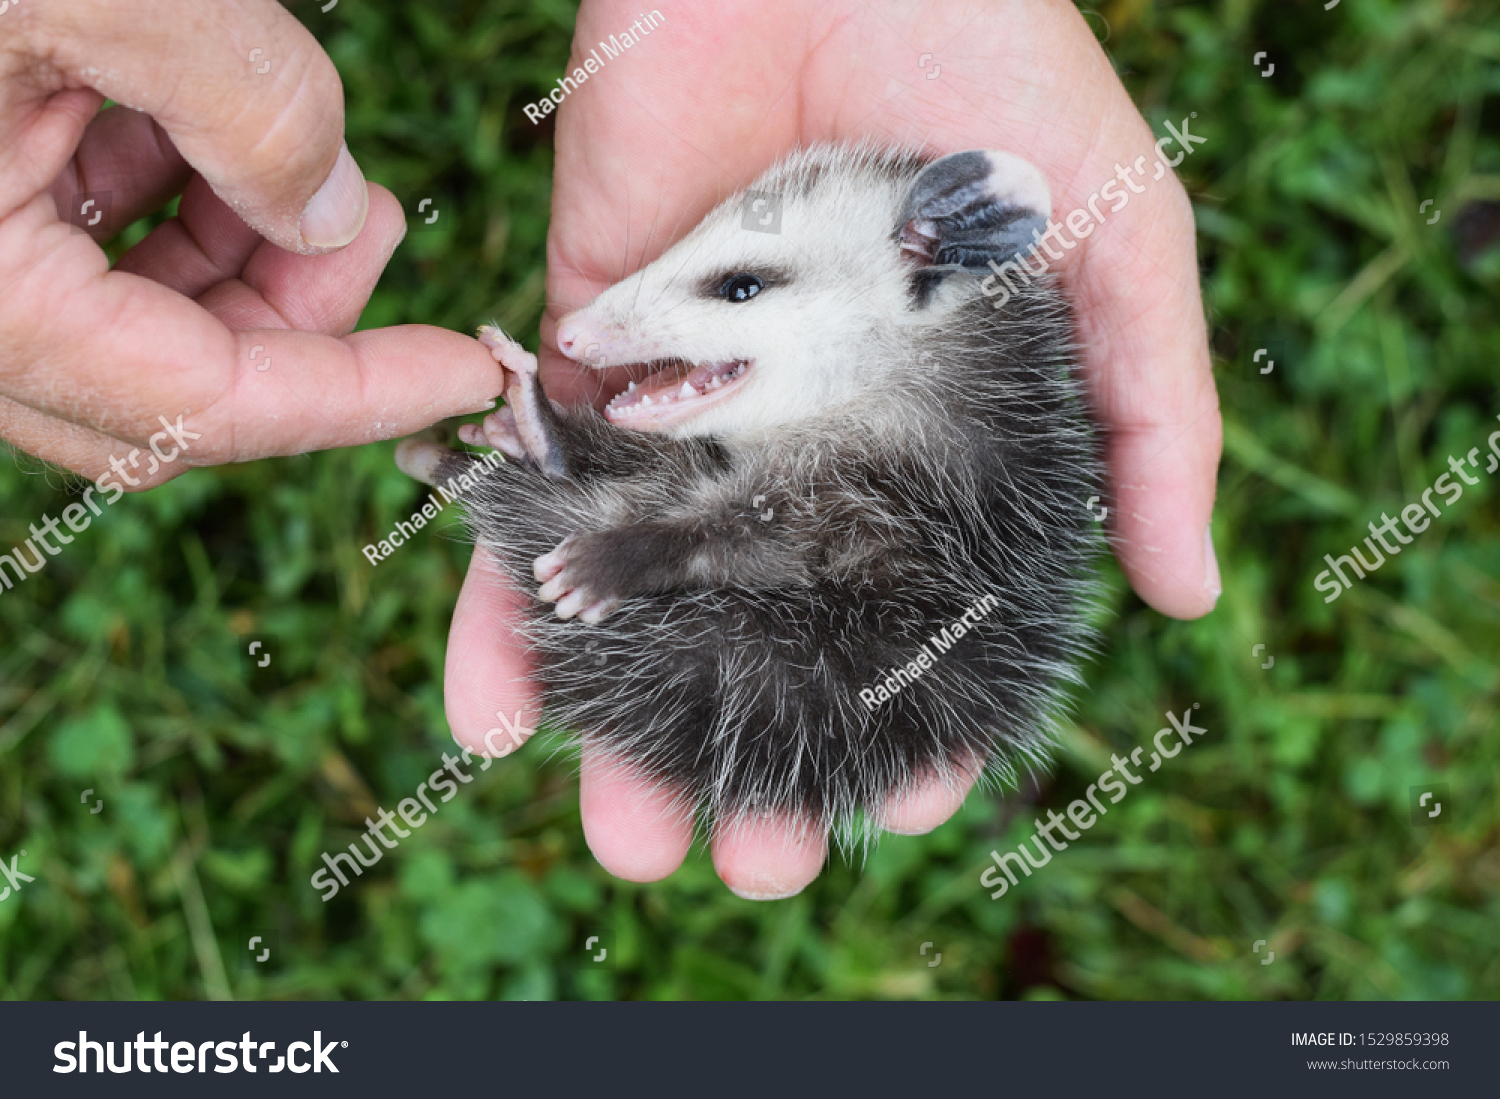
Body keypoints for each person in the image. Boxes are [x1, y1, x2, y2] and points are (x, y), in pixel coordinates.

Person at [0, 0, 1221, 900]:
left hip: (826, 660)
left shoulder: (916, 435)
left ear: (927, 272)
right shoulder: (892, 422)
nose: (606, 332)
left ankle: (537, 482)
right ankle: (538, 477)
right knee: (706, 511)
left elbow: (819, 531)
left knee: (735, 525)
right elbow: (794, 508)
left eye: (740, 284)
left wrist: (656, 539)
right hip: (803, 623)